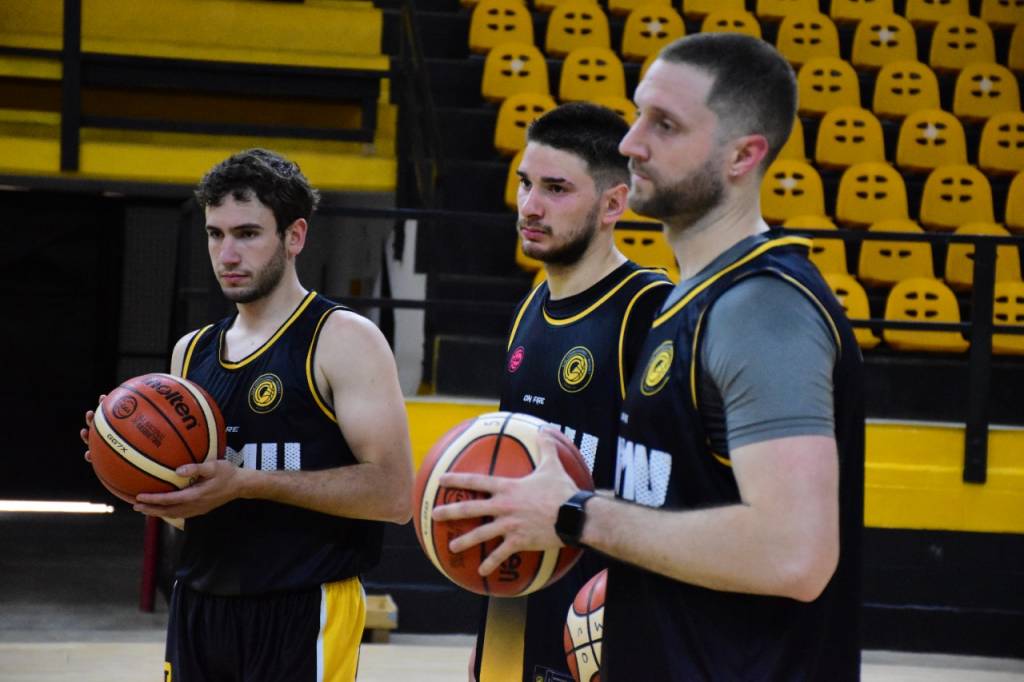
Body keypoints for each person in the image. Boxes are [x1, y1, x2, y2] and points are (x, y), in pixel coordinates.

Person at [434, 34, 865, 681]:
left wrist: (574, 514)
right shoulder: (689, 304)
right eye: (639, 115)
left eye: (664, 125)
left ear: (743, 155)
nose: (633, 143)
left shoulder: (762, 308)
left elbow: (795, 556)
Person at [82, 148, 414, 682]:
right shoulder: (191, 353)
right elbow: (191, 509)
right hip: (199, 605)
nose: (227, 253)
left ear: (294, 236)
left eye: (247, 234)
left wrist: (247, 483)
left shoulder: (342, 338)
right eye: (215, 234)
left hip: (302, 607)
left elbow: (394, 495)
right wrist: (130, 470)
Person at [473, 103, 673, 682]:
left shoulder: (650, 310)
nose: (530, 206)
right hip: (520, 616)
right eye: (525, 183)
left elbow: (679, 492)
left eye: (556, 189)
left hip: (606, 625)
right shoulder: (529, 308)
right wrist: (492, 640)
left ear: (613, 204)